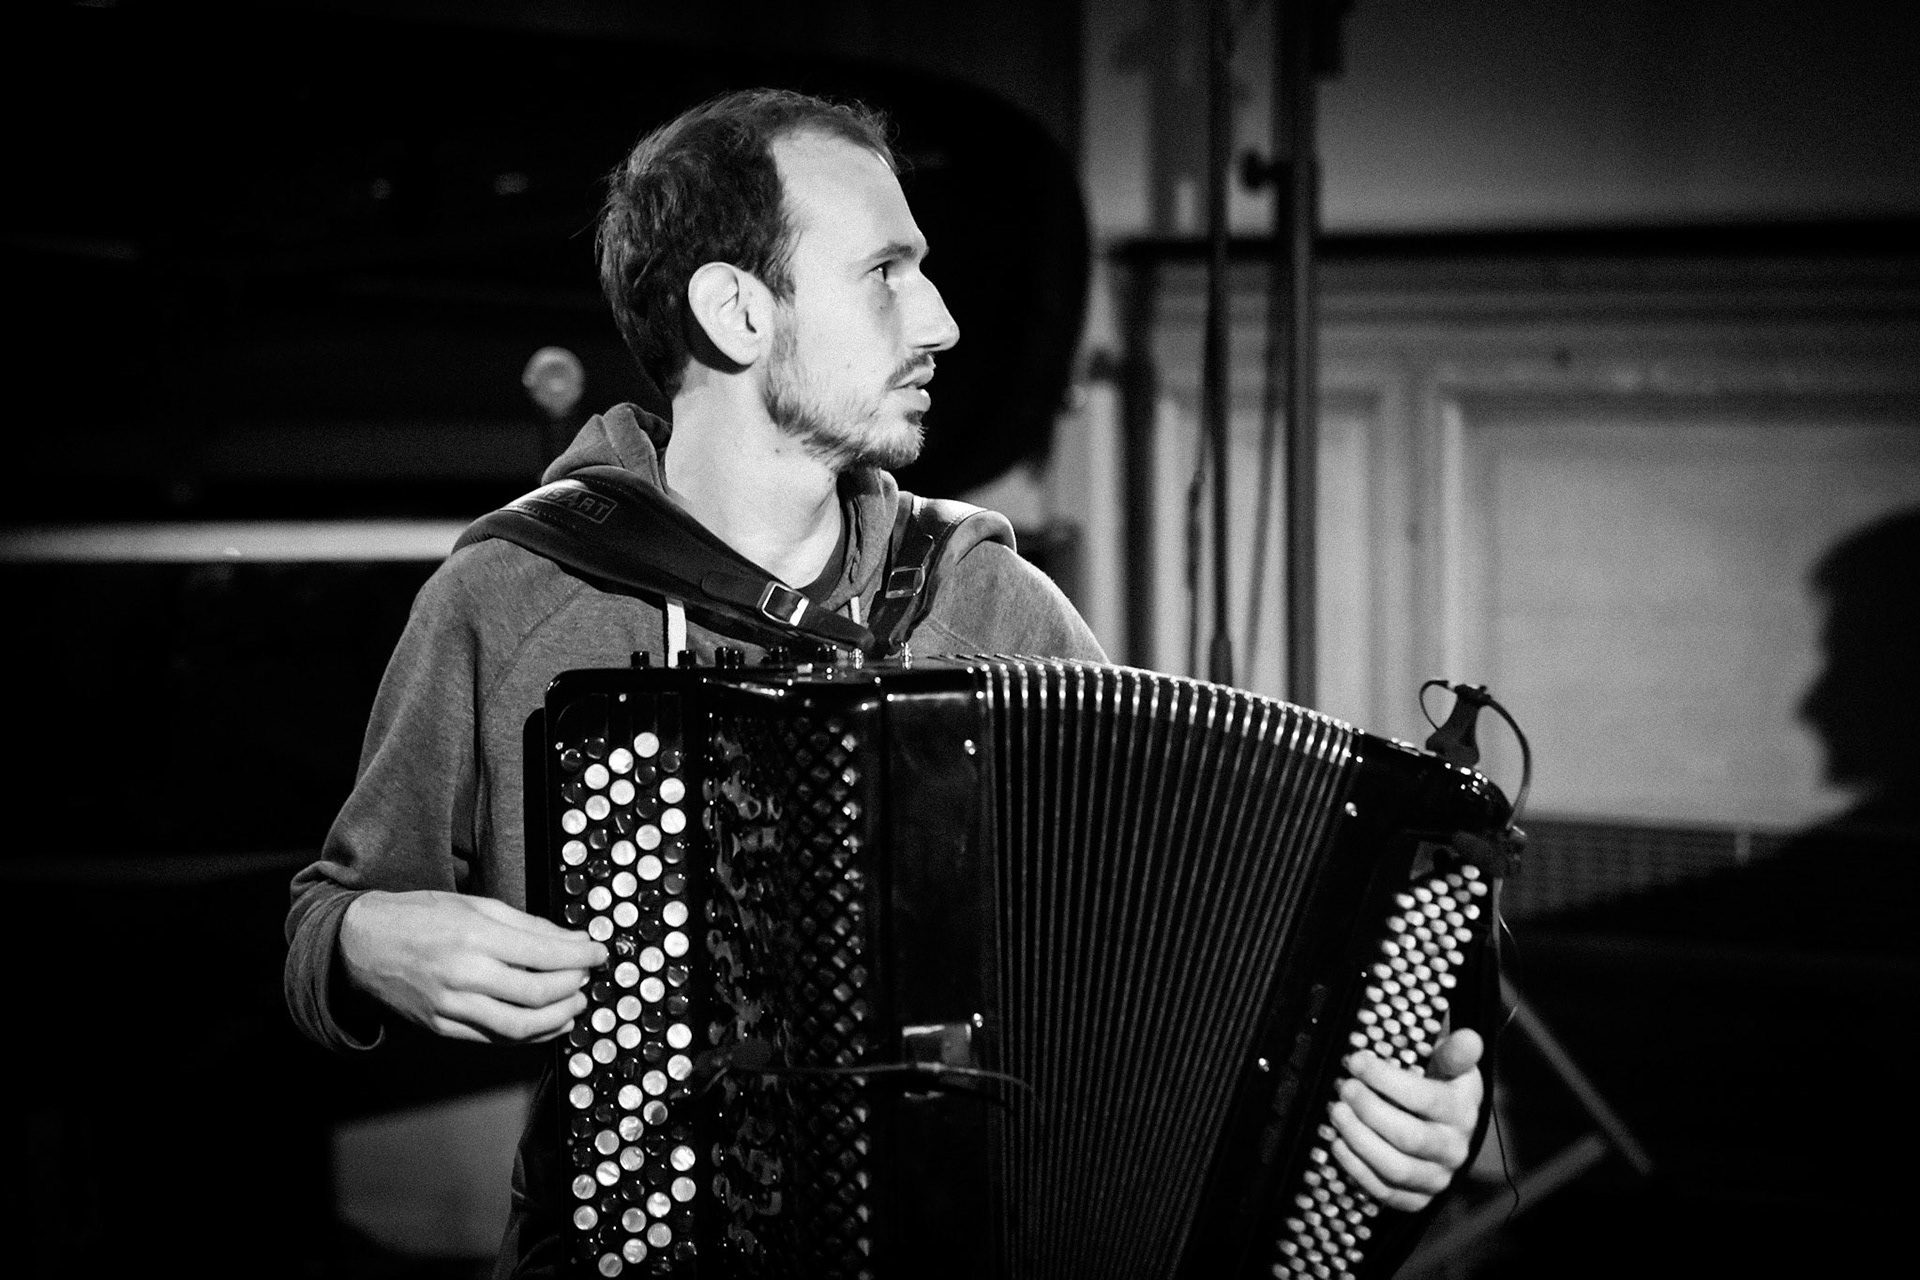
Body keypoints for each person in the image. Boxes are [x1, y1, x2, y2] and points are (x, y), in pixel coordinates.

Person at [283, 87, 1485, 1272]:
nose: (943, 320)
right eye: (888, 272)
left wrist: (1373, 1113)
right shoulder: (513, 596)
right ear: (738, 311)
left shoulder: (982, 597)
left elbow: (1193, 939)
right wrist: (363, 942)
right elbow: (329, 916)